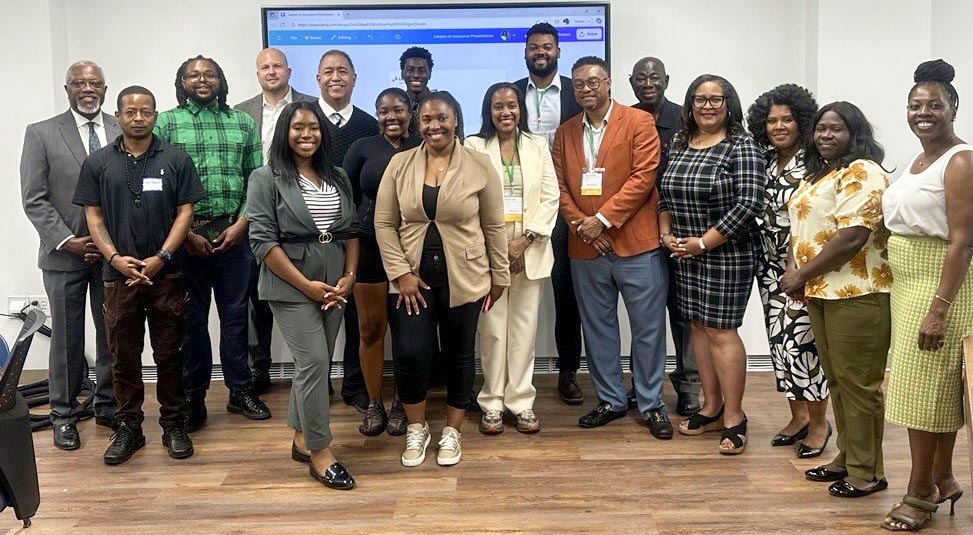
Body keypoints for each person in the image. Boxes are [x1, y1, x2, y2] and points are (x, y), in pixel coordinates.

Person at [375, 92, 509, 467]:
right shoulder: (400, 164)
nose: (435, 126)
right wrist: (400, 273)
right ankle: (418, 430)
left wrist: (500, 277)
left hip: (465, 274)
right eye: (428, 119)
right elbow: (384, 223)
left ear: (456, 120)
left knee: (460, 355)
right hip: (410, 279)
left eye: (443, 118)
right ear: (418, 124)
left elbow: (494, 226)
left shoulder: (480, 165)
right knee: (410, 353)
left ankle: (452, 431)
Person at [73, 86, 205, 465]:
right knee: (123, 357)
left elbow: (185, 213)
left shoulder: (176, 159)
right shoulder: (98, 162)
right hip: (118, 278)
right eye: (130, 112)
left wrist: (162, 256)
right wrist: (114, 258)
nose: (137, 118)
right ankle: (129, 427)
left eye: (145, 111)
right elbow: (93, 216)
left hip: (167, 275)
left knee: (169, 353)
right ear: (118, 116)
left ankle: (174, 425)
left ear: (155, 115)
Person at [553, 56, 671, 439]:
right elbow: (559, 187)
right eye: (578, 84)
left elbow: (643, 178)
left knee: (648, 328)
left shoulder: (639, 123)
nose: (586, 90)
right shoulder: (565, 132)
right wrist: (584, 228)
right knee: (598, 328)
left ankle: (651, 403)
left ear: (607, 83)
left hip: (636, 244)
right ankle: (610, 400)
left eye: (593, 82)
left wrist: (600, 220)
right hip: (586, 249)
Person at [781, 101, 891, 498]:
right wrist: (796, 272)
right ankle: (848, 457)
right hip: (821, 293)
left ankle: (867, 473)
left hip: (859, 292)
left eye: (836, 129)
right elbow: (800, 227)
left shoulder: (863, 172)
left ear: (854, 133)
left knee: (860, 385)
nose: (826, 135)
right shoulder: (819, 175)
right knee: (839, 382)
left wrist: (800, 274)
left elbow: (852, 237)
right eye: (821, 129)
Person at [247, 101, 359, 490]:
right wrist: (305, 284)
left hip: (334, 283)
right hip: (290, 283)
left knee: (316, 362)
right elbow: (262, 241)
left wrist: (349, 275)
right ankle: (320, 450)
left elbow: (349, 232)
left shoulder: (338, 176)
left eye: (314, 127)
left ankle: (299, 436)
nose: (307, 134)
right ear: (284, 132)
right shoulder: (266, 177)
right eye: (298, 127)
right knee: (313, 361)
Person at [155, 55, 270, 431]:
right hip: (186, 237)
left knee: (237, 317)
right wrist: (184, 234)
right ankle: (194, 397)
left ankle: (240, 390)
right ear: (182, 81)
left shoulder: (242, 122)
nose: (202, 80)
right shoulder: (167, 122)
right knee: (192, 321)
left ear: (221, 81)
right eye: (194, 75)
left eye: (210, 74)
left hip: (235, 236)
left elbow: (257, 180)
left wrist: (241, 225)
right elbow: (160, 183)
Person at [881, 59, 973, 531]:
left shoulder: (961, 160)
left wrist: (939, 309)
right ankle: (943, 478)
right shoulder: (919, 159)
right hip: (908, 283)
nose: (923, 112)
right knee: (929, 391)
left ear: (953, 107)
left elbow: (961, 241)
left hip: (939, 286)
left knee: (925, 394)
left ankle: (919, 495)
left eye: (933, 105)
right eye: (915, 105)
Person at [660, 75, 765, 454]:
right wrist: (665, 233)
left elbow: (749, 204)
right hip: (684, 252)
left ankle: (735, 417)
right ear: (690, 105)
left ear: (728, 104)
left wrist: (703, 243)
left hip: (725, 253)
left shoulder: (742, 146)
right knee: (698, 330)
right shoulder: (679, 142)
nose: (707, 106)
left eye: (715, 99)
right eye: (699, 99)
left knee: (721, 331)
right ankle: (710, 406)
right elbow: (664, 192)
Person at [20, 60, 117, 451]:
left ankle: (108, 405)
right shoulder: (41, 133)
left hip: (111, 254)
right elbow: (34, 198)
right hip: (64, 256)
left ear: (105, 88)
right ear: (67, 89)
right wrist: (67, 240)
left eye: (94, 82)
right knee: (65, 339)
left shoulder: (120, 127)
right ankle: (64, 414)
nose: (87, 88)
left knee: (112, 333)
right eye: (79, 82)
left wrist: (112, 243)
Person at [466, 83, 559, 434]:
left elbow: (552, 197)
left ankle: (520, 402)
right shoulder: (473, 146)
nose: (506, 112)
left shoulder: (537, 146)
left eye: (512, 105)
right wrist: (499, 250)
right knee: (491, 330)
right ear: (488, 111)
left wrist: (526, 240)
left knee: (524, 330)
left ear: (521, 108)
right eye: (498, 107)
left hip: (529, 250)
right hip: (489, 254)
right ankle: (491, 401)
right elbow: (468, 198)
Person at [746, 84, 831, 458]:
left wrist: (801, 267)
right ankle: (797, 417)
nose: (779, 126)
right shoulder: (764, 159)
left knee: (804, 345)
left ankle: (819, 425)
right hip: (767, 266)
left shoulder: (817, 162)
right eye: (771, 121)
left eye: (787, 119)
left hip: (801, 266)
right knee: (780, 344)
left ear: (803, 122)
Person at [234, 48, 317, 392]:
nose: (271, 71)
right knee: (258, 297)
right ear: (257, 74)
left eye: (277, 66)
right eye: (264, 67)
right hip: (259, 213)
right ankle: (260, 368)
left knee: (308, 292)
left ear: (289, 70)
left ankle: (314, 369)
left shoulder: (311, 106)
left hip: (302, 213)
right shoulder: (241, 113)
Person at [514, 22, 585, 405]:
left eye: (547, 46)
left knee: (566, 293)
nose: (540, 52)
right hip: (520, 205)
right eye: (534, 47)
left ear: (558, 51)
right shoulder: (510, 94)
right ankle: (510, 375)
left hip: (569, 204)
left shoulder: (579, 92)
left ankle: (568, 373)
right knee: (516, 290)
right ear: (525, 52)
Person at [342, 88, 420, 436]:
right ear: (376, 114)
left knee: (408, 336)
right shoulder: (361, 148)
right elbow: (347, 200)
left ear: (410, 112)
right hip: (371, 252)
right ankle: (374, 403)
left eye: (399, 110)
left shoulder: (422, 147)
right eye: (384, 110)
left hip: (413, 252)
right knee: (370, 330)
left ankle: (403, 403)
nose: (392, 116)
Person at [629, 56, 699, 416]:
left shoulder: (686, 122)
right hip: (636, 230)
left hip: (680, 232)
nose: (647, 82)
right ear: (630, 83)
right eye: (640, 78)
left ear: (667, 80)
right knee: (646, 316)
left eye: (654, 77)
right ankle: (643, 386)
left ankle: (689, 386)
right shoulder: (622, 121)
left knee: (683, 313)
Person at [313, 49, 380, 412]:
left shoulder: (370, 125)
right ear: (317, 79)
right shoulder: (304, 121)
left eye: (343, 71)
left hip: (357, 234)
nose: (335, 77)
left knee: (356, 313)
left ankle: (355, 385)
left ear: (354, 78)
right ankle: (317, 383)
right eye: (328, 71)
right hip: (312, 234)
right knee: (316, 309)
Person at [399, 47, 464, 140]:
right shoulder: (396, 106)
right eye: (410, 70)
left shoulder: (446, 102)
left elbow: (459, 137)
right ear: (402, 73)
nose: (416, 75)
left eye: (422, 70)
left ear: (430, 74)